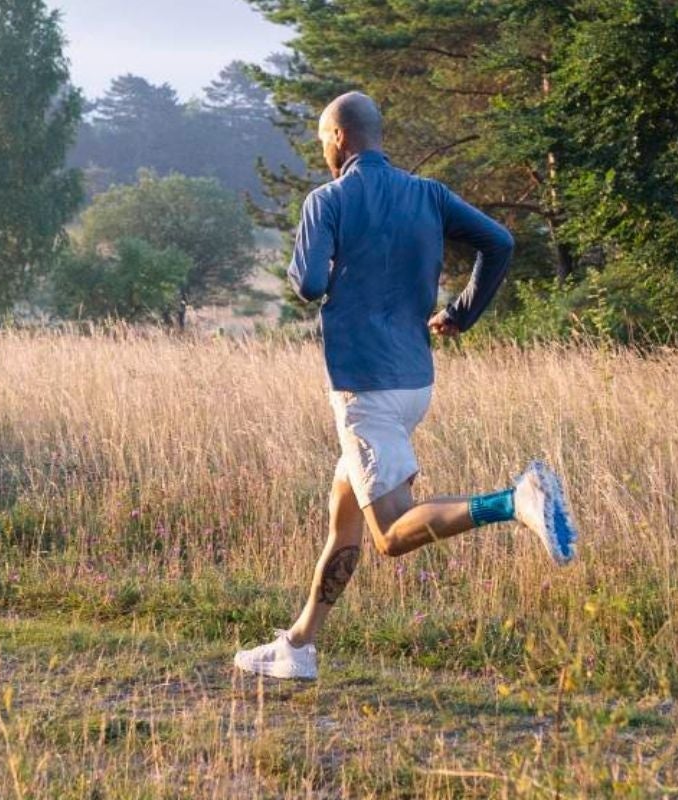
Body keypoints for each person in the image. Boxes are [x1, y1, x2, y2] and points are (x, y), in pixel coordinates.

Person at [232, 91, 579, 681]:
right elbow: (500, 242)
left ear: (339, 137)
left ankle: (514, 500)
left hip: (364, 387)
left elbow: (309, 284)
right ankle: (298, 645)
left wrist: (311, 262)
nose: (322, 150)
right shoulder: (429, 194)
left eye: (322, 139)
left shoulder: (328, 200)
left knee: (390, 533)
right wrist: (460, 314)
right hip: (415, 380)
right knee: (344, 515)